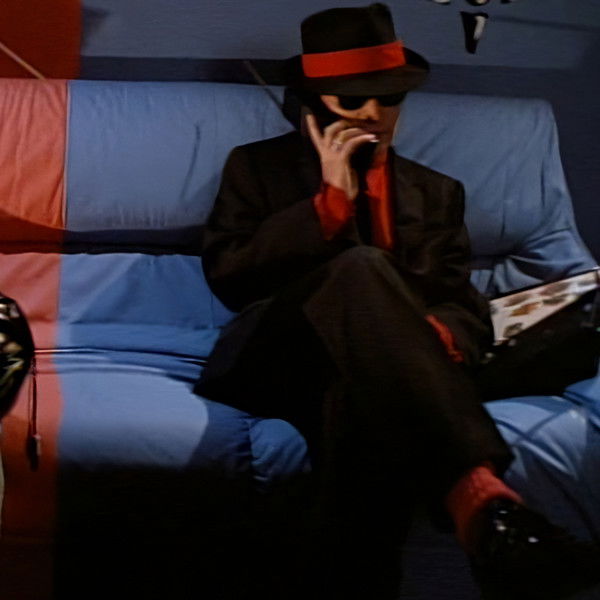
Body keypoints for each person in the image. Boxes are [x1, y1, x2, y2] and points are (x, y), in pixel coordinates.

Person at [195, 4, 600, 599]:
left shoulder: (436, 193)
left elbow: (460, 304)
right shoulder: (257, 167)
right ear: (313, 104)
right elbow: (230, 277)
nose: (373, 114)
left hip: (371, 369)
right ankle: (478, 498)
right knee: (361, 266)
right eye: (352, 101)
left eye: (389, 99)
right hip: (275, 354)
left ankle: (440, 549)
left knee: (361, 402)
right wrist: (327, 205)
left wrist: (425, 338)